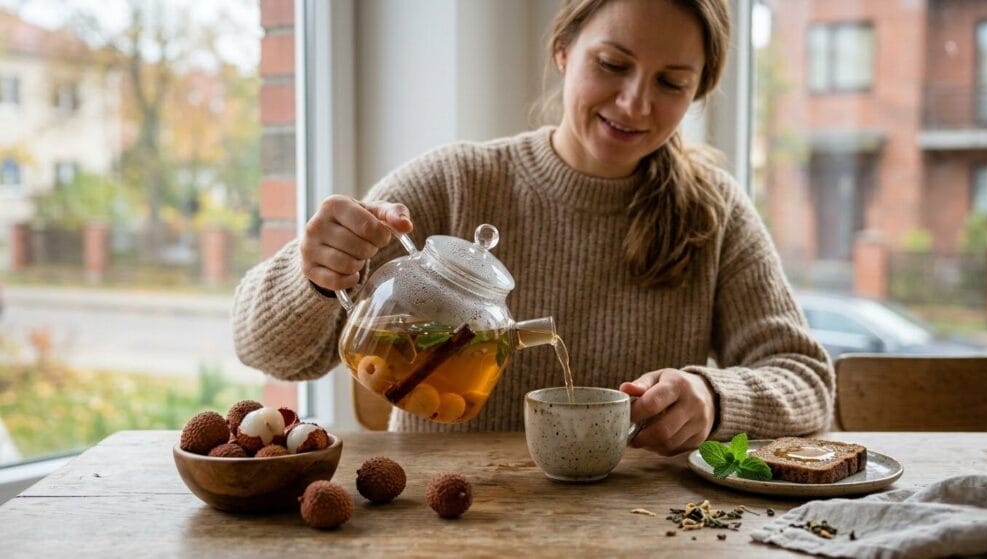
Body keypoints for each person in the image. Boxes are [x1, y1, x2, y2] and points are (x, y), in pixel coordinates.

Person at [232, 0, 834, 456]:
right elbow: (265, 350)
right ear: (564, 51)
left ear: (697, 91)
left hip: (638, 521)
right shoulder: (456, 182)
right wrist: (313, 273)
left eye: (671, 82)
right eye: (612, 64)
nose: (634, 103)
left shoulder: (713, 213)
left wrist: (713, 398)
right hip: (439, 511)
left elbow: (808, 381)